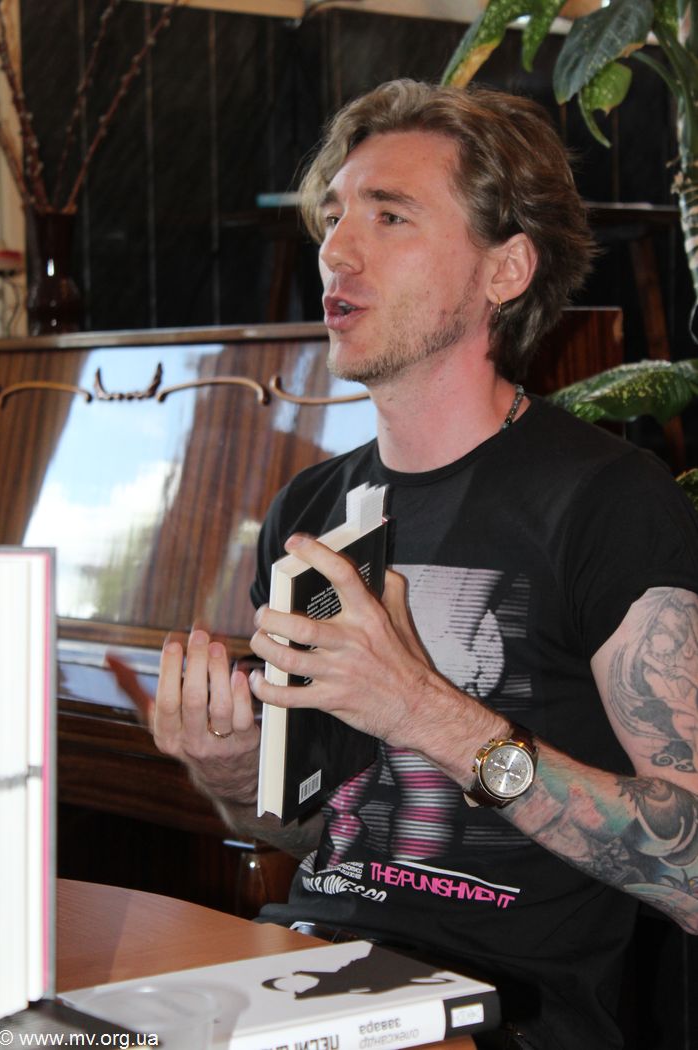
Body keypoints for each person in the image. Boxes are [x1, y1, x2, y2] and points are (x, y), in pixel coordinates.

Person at [144, 81, 698, 1049]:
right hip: (305, 981)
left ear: (505, 270)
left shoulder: (611, 503)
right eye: (333, 216)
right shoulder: (309, 511)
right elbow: (313, 830)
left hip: (500, 1018)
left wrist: (421, 711)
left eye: (389, 215)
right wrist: (232, 775)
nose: (336, 249)